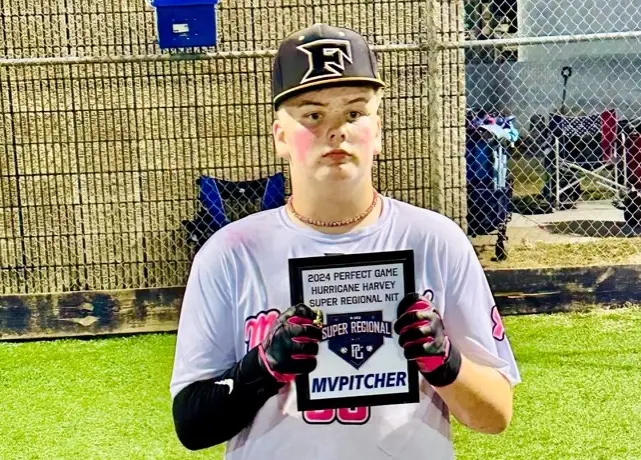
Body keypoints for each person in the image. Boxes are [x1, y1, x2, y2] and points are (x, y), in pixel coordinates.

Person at [169, 23, 521, 460]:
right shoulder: (231, 253)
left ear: (378, 131)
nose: (336, 130)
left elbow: (495, 414)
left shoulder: (435, 240)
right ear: (280, 136)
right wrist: (261, 369)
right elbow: (191, 424)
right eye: (313, 115)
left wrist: (445, 362)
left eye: (354, 113)